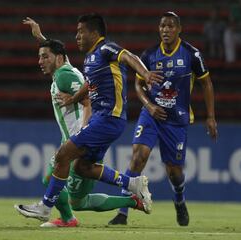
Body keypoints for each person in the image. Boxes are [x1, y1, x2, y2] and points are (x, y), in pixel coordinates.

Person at [14, 13, 163, 222]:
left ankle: (45, 207)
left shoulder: (105, 48)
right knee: (82, 167)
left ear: (94, 33)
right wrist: (73, 98)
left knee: (62, 156)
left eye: (81, 32)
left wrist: (145, 74)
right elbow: (88, 84)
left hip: (108, 118)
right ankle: (132, 184)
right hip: (103, 120)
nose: (77, 36)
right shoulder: (91, 59)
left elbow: (129, 56)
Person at [108, 12, 218, 226]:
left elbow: (206, 83)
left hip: (176, 120)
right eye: (162, 26)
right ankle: (122, 212)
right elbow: (138, 84)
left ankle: (179, 199)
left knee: (174, 173)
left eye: (170, 26)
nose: (165, 30)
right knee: (138, 156)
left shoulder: (191, 54)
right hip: (151, 115)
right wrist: (148, 105)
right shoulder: (149, 55)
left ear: (179, 29)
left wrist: (211, 116)